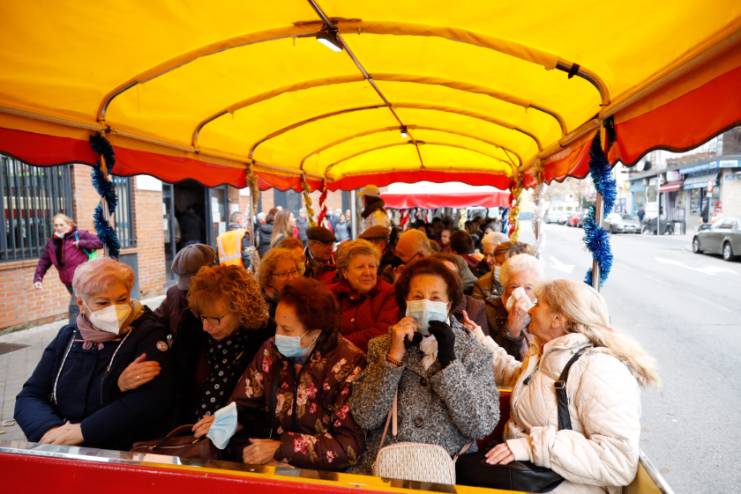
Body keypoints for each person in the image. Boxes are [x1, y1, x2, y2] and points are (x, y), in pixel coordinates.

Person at [457, 279, 660, 493]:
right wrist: (480, 340)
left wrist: (531, 446)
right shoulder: (548, 353)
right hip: (529, 469)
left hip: (565, 483)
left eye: (537, 303)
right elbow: (517, 377)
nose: (530, 309)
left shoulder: (600, 369)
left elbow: (617, 461)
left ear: (557, 319)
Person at [193, 278, 366, 470]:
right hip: (273, 467)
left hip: (325, 476)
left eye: (287, 330)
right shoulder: (271, 351)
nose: (278, 335)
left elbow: (349, 446)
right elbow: (246, 404)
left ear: (315, 333)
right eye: (277, 325)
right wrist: (226, 421)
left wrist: (282, 448)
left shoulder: (348, 363)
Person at [349, 258, 499, 474]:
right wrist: (393, 357)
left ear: (448, 305)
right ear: (405, 302)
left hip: (449, 469)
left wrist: (450, 363)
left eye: (435, 298)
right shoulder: (382, 346)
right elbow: (365, 417)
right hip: (387, 467)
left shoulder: (473, 351)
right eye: (418, 297)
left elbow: (481, 424)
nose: (426, 303)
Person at [15, 258, 173, 450]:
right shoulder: (68, 337)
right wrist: (49, 431)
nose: (115, 310)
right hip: (64, 446)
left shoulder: (148, 335)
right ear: (81, 303)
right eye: (103, 303)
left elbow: (149, 400)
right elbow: (30, 395)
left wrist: (83, 431)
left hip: (121, 451)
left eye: (122, 299)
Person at [33, 213, 103, 324]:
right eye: (56, 225)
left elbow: (100, 242)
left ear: (69, 225)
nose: (58, 228)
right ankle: (95, 324)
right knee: (84, 305)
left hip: (82, 278)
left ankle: (73, 330)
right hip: (67, 281)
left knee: (74, 306)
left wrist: (82, 243)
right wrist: (38, 278)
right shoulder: (52, 243)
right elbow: (44, 262)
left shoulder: (79, 235)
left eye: (61, 225)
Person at [329, 240, 398, 352]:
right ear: (345, 272)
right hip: (335, 358)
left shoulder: (389, 293)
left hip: (373, 359)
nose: (367, 272)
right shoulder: (330, 294)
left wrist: (339, 343)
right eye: (360, 267)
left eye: (372, 266)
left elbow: (383, 332)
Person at [480, 253, 543, 360]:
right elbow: (491, 359)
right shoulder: (486, 310)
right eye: (514, 286)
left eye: (528, 288)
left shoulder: (537, 316)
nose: (521, 293)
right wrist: (512, 328)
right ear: (505, 286)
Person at [155, 243, 216, 336]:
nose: (190, 291)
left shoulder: (222, 296)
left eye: (197, 283)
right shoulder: (174, 294)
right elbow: (154, 322)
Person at [431, 252, 490, 335]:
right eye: (441, 275)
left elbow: (483, 341)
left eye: (454, 275)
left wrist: (469, 337)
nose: (449, 280)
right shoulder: (419, 304)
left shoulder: (474, 307)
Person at [257, 247, 303, 322]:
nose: (291, 278)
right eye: (283, 274)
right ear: (269, 278)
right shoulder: (264, 309)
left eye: (294, 271)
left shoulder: (300, 296)